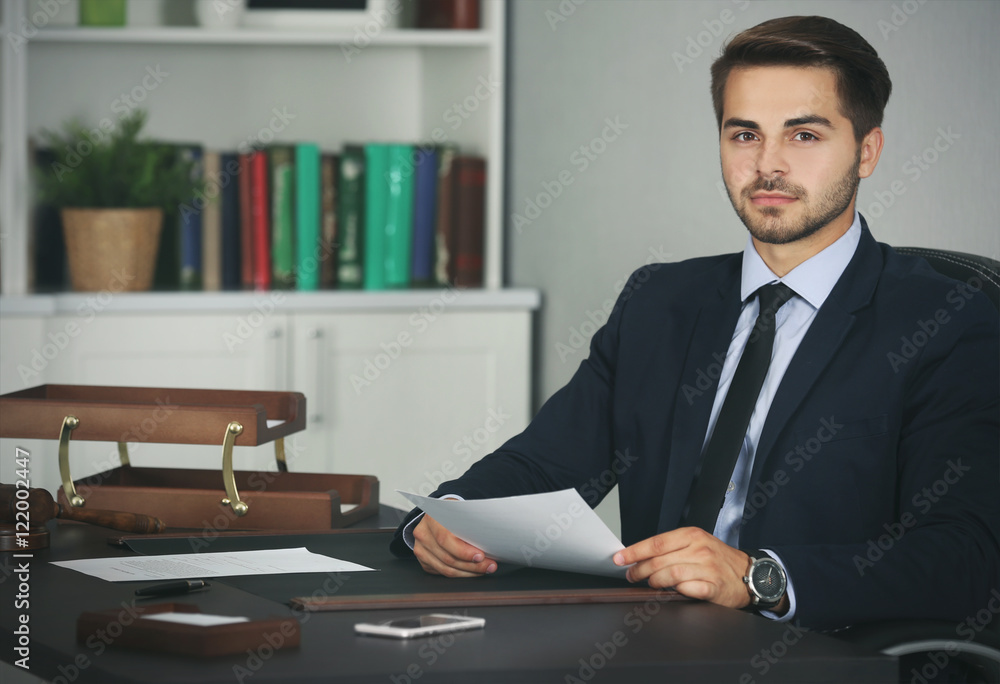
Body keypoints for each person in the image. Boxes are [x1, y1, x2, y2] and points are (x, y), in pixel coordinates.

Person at [390, 15, 1000, 631]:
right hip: (654, 644)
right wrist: (445, 519)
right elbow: (542, 466)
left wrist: (759, 578)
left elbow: (964, 557)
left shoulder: (947, 321)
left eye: (804, 136)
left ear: (866, 151)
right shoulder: (660, 301)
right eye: (744, 135)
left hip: (826, 657)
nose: (768, 165)